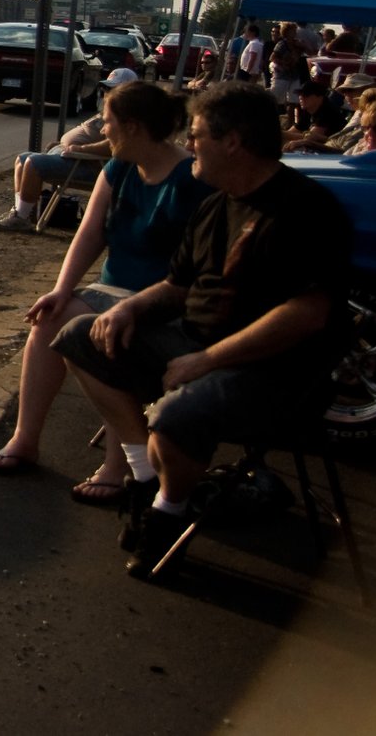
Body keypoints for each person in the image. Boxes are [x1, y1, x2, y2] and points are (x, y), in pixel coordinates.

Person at [52, 82, 352, 579]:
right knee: (80, 336)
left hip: (276, 372)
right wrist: (129, 310)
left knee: (177, 415)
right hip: (196, 345)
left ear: (232, 141)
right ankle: (146, 476)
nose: (189, 145)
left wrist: (208, 361)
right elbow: (177, 284)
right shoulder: (217, 204)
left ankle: (167, 515)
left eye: (196, 135)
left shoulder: (305, 210)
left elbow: (307, 314)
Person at [0, 81, 212, 502]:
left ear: (134, 127)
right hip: (111, 288)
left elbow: (195, 272)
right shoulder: (120, 167)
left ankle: (119, 463)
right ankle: (25, 438)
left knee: (96, 334)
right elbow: (89, 233)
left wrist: (124, 304)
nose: (103, 132)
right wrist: (60, 289)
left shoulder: (190, 181)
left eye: (108, 123)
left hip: (161, 300)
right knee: (51, 315)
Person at [0, 68, 139, 233]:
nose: (106, 93)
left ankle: (21, 218)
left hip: (85, 164)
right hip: (72, 157)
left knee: (33, 163)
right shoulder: (111, 111)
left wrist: (80, 148)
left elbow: (113, 147)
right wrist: (61, 144)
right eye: (106, 89)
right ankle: (21, 213)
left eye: (112, 89)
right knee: (23, 158)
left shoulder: (126, 119)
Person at [283, 79, 350, 152]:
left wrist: (279, 134)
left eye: (306, 95)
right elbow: (294, 131)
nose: (301, 97)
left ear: (320, 96)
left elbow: (310, 137)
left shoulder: (328, 111)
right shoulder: (307, 110)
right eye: (300, 94)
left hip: (331, 150)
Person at [267, 22, 309, 104]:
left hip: (294, 75)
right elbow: (272, 58)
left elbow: (311, 52)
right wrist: (284, 64)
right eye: (292, 31)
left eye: (295, 31)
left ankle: (291, 116)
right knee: (276, 98)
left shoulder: (297, 43)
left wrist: (304, 46)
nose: (295, 33)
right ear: (286, 32)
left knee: (294, 101)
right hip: (282, 75)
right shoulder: (282, 44)